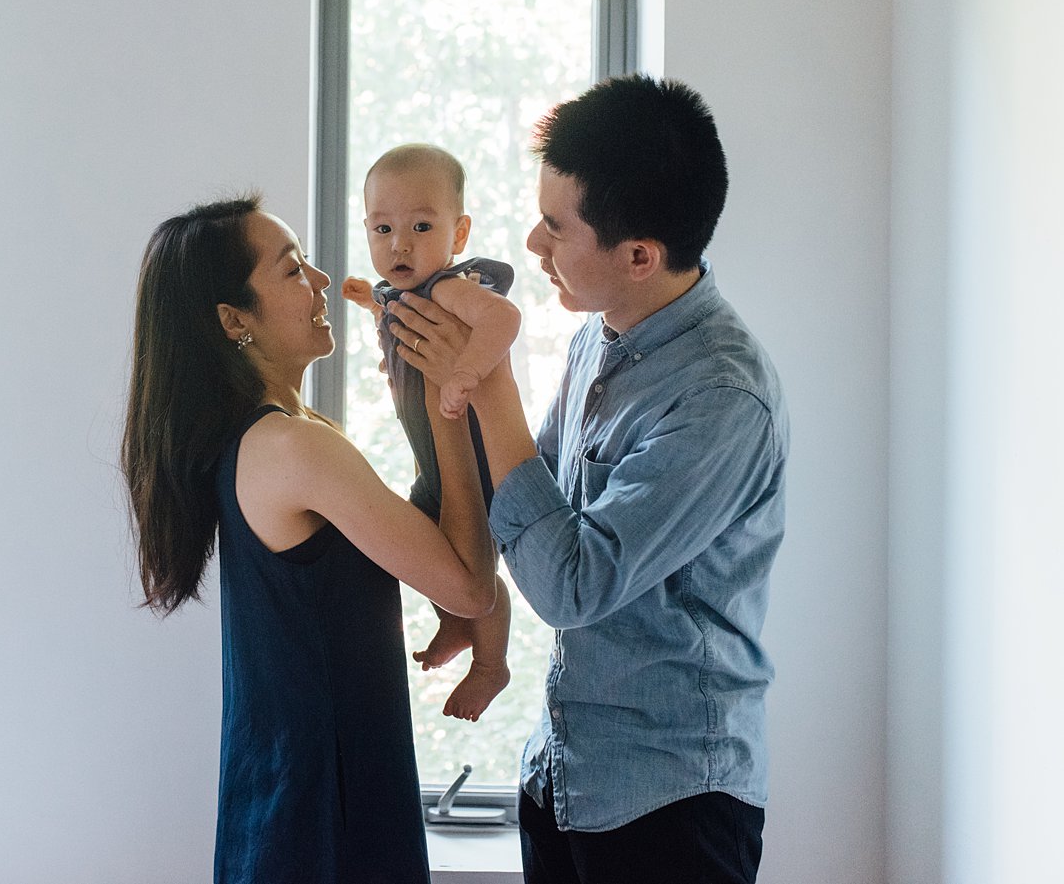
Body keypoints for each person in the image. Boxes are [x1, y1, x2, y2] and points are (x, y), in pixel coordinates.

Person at [384, 75, 789, 884]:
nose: (532, 244)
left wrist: (488, 378)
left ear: (640, 256)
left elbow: (572, 584)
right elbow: (525, 502)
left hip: (671, 806)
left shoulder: (721, 398)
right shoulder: (598, 339)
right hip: (566, 778)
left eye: (556, 227)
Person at [121, 195, 499, 884]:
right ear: (235, 320)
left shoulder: (290, 432)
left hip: (303, 799)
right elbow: (469, 583)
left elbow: (425, 537)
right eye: (293, 270)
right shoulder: (290, 446)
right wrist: (451, 393)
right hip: (321, 816)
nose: (323, 280)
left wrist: (422, 393)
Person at [341, 143, 518, 721]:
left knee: (475, 566)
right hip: (434, 467)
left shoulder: (451, 286)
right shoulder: (405, 294)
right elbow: (402, 331)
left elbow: (504, 318)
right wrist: (372, 305)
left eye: (421, 226)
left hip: (476, 462)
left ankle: (492, 663)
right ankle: (454, 622)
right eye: (383, 228)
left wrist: (465, 372)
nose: (400, 244)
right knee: (422, 551)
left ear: (459, 232)